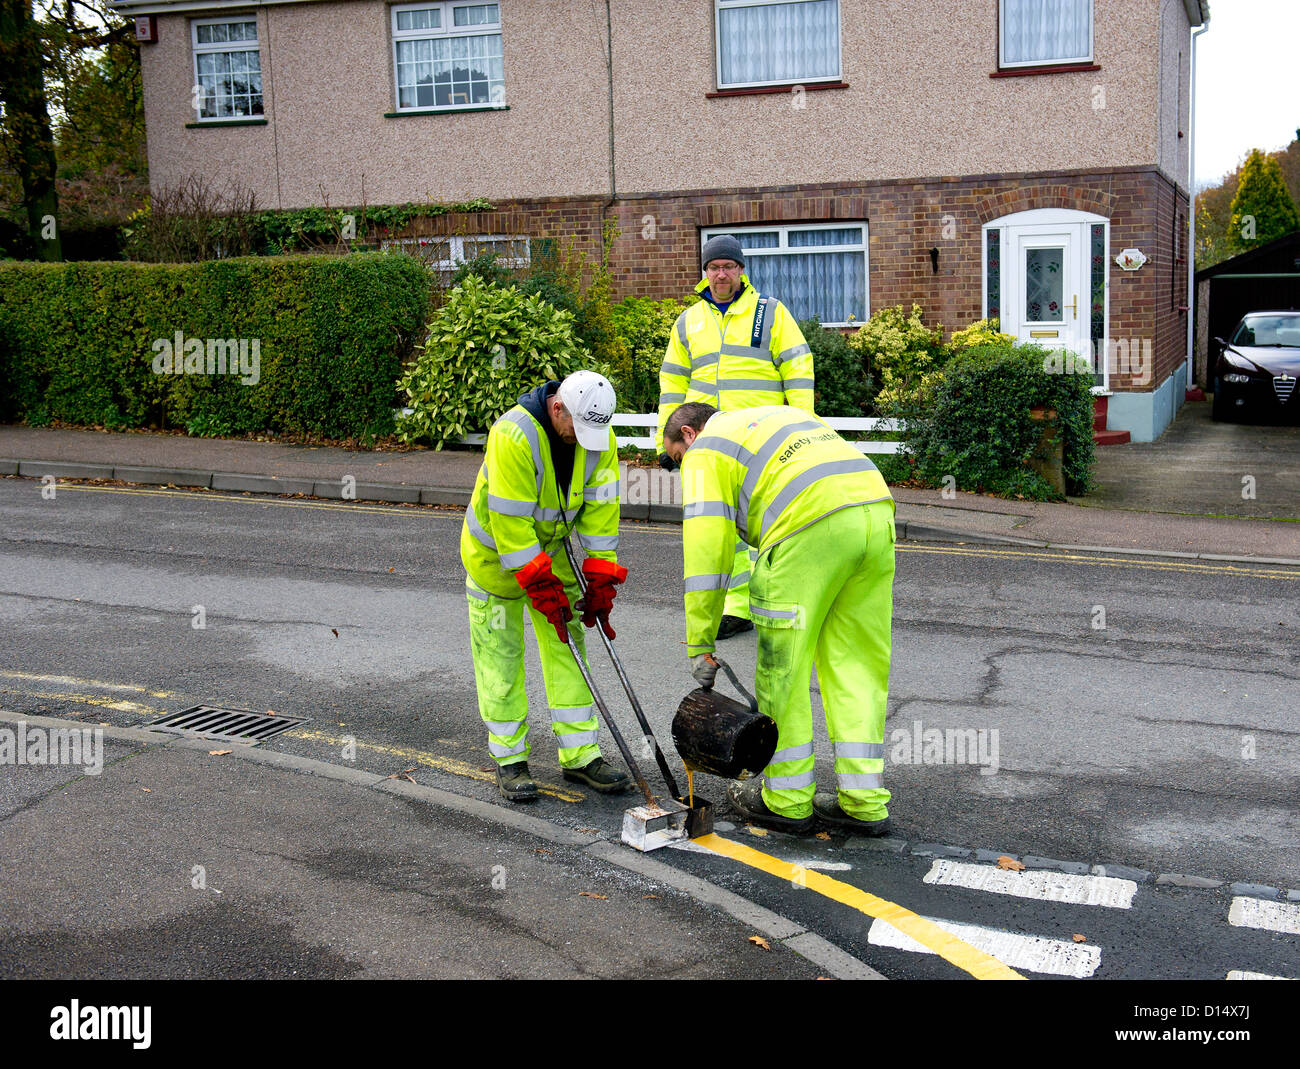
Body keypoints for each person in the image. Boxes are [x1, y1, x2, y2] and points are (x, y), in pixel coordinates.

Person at [662, 401, 895, 835]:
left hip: (805, 530)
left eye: (677, 458)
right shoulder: (773, 418)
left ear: (689, 435)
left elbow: (708, 555)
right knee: (857, 667)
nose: (681, 469)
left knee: (781, 670)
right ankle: (864, 803)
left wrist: (699, 642)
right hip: (874, 512)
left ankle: (786, 800)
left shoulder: (707, 449)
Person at [461, 370, 632, 802]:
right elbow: (511, 524)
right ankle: (510, 758)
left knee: (568, 644)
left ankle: (581, 755)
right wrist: (538, 583)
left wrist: (600, 577)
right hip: (496, 559)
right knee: (501, 654)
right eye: (577, 428)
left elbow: (600, 516)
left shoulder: (597, 437)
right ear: (558, 408)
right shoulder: (512, 435)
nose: (583, 440)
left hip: (549, 551)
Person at [655, 234, 814, 641]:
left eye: (728, 266)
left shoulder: (770, 313)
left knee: (761, 522)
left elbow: (797, 369)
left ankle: (760, 601)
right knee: (717, 526)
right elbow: (672, 386)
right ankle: (735, 605)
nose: (720, 273)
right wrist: (663, 441)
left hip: (762, 440)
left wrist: (804, 429)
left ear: (741, 270)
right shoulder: (688, 321)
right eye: (713, 267)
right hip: (705, 444)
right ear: (704, 273)